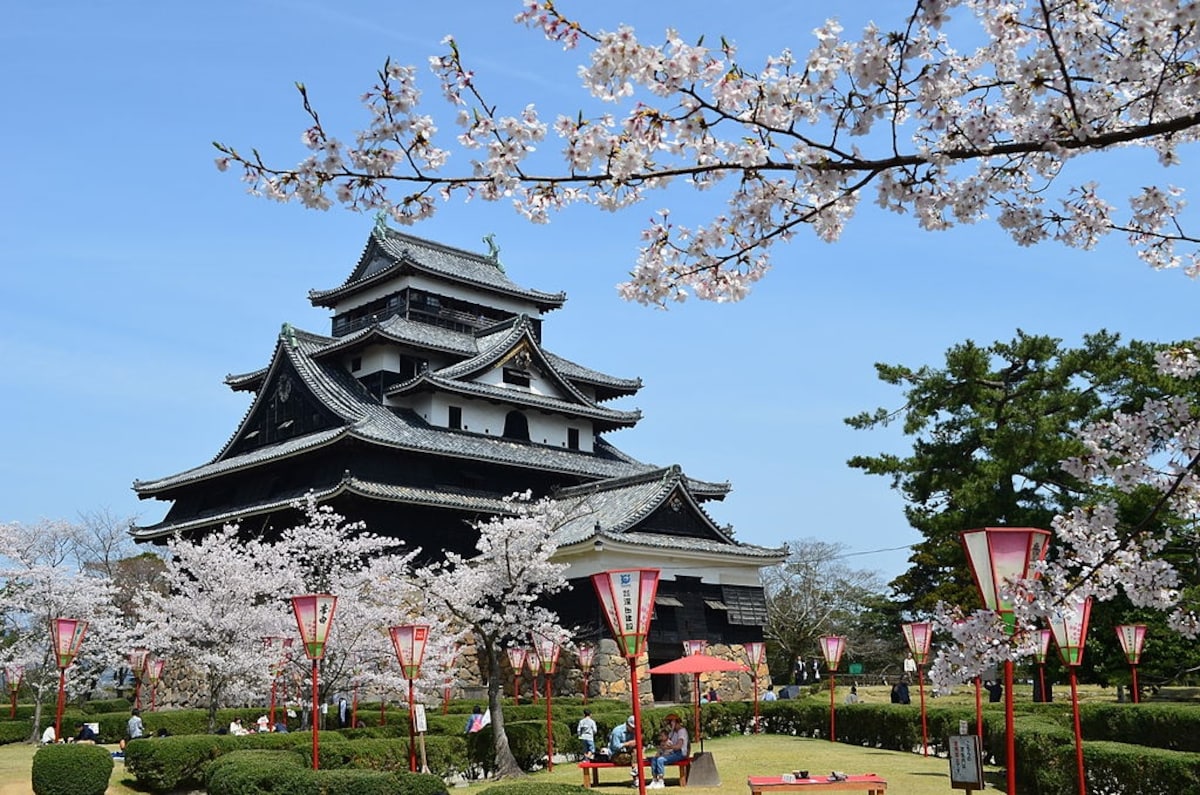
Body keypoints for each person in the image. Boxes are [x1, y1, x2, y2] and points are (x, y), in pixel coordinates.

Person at [650, 713, 689, 789]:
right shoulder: (673, 732)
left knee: (660, 760)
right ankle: (654, 780)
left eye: (670, 723)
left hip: (680, 754)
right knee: (654, 759)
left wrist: (669, 747)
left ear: (674, 722)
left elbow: (678, 746)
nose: (669, 725)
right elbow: (668, 740)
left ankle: (661, 782)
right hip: (673, 752)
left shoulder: (682, 731)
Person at [608, 715, 639, 786]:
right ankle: (636, 776)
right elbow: (615, 746)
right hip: (615, 755)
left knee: (635, 753)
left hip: (628, 753)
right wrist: (627, 744)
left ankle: (635, 773)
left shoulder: (633, 732)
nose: (633, 730)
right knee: (633, 757)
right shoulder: (617, 731)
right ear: (627, 724)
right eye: (632, 728)